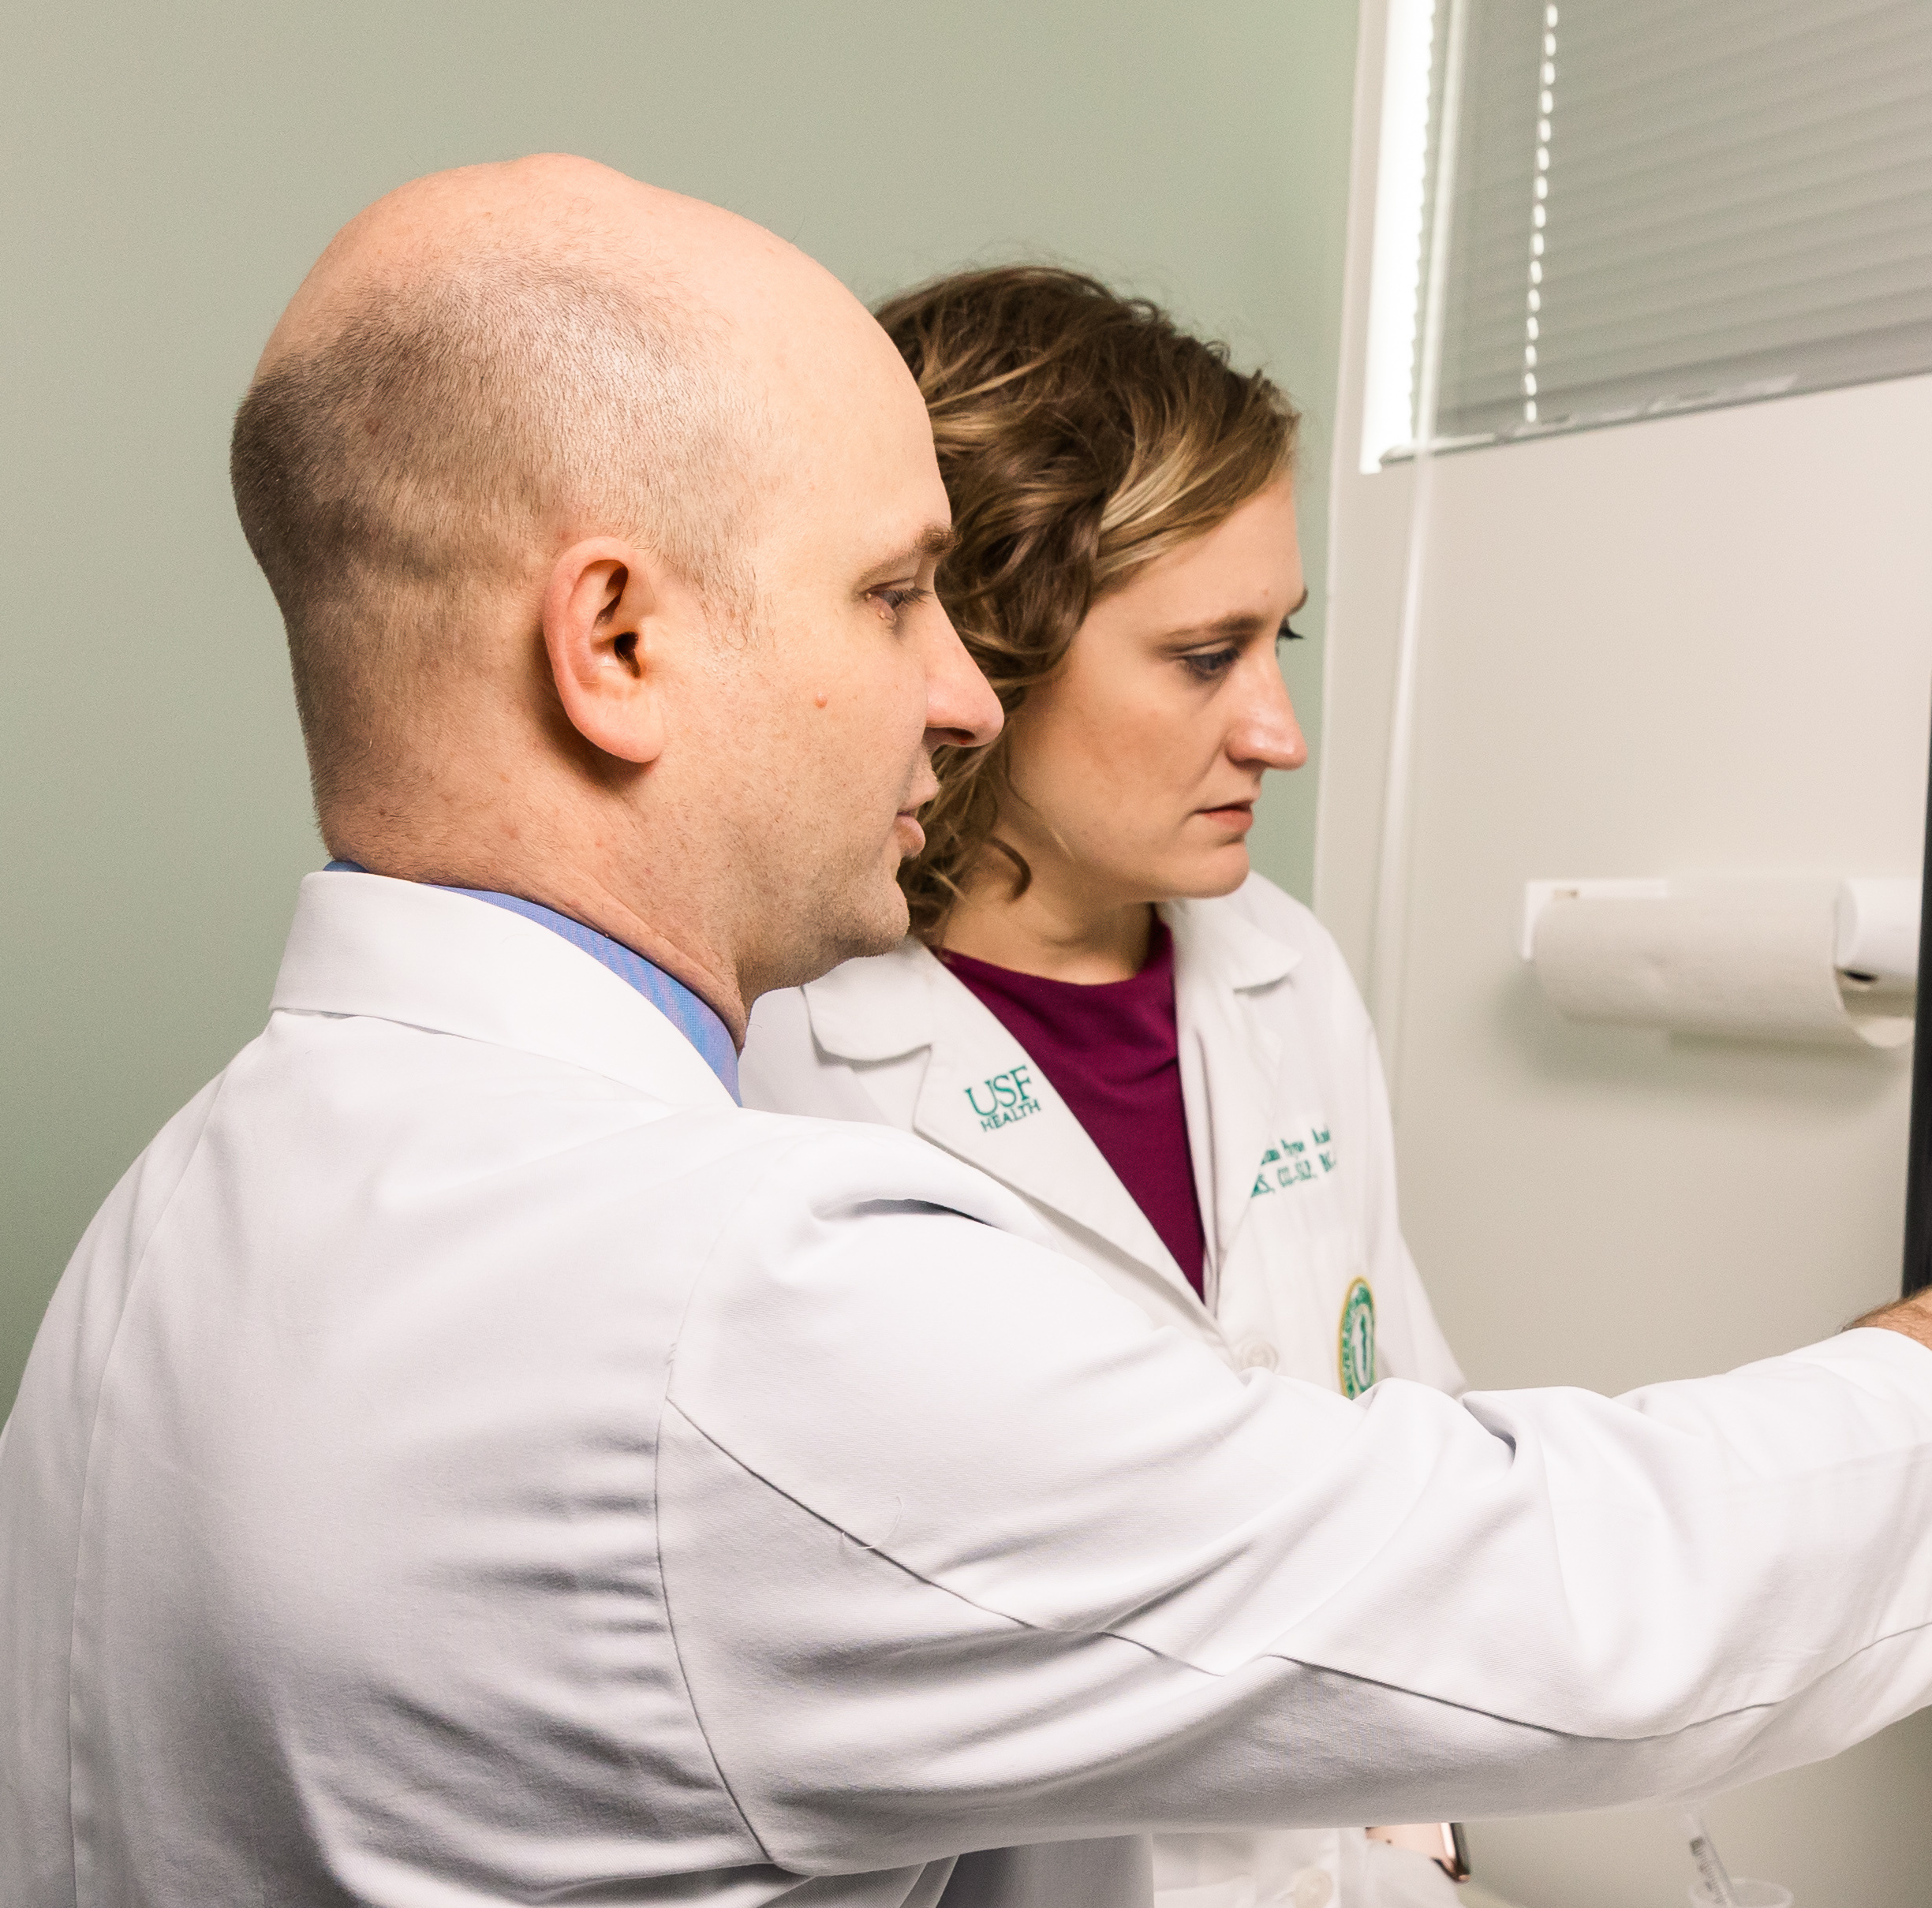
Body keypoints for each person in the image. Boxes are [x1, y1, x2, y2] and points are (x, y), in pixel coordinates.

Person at [0, 156, 1932, 1908]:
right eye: (885, 598)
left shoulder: (179, 1225)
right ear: (619, 644)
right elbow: (1509, 1592)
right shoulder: (722, 1305)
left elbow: (1370, 1467)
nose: (954, 689)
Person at [738, 267, 1463, 1908]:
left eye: (1278, 641)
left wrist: (1422, 1837)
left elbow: (1406, 1432)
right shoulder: (781, 1058)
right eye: (1202, 657)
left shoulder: (1282, 971)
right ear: (978, 652)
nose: (1276, 731)